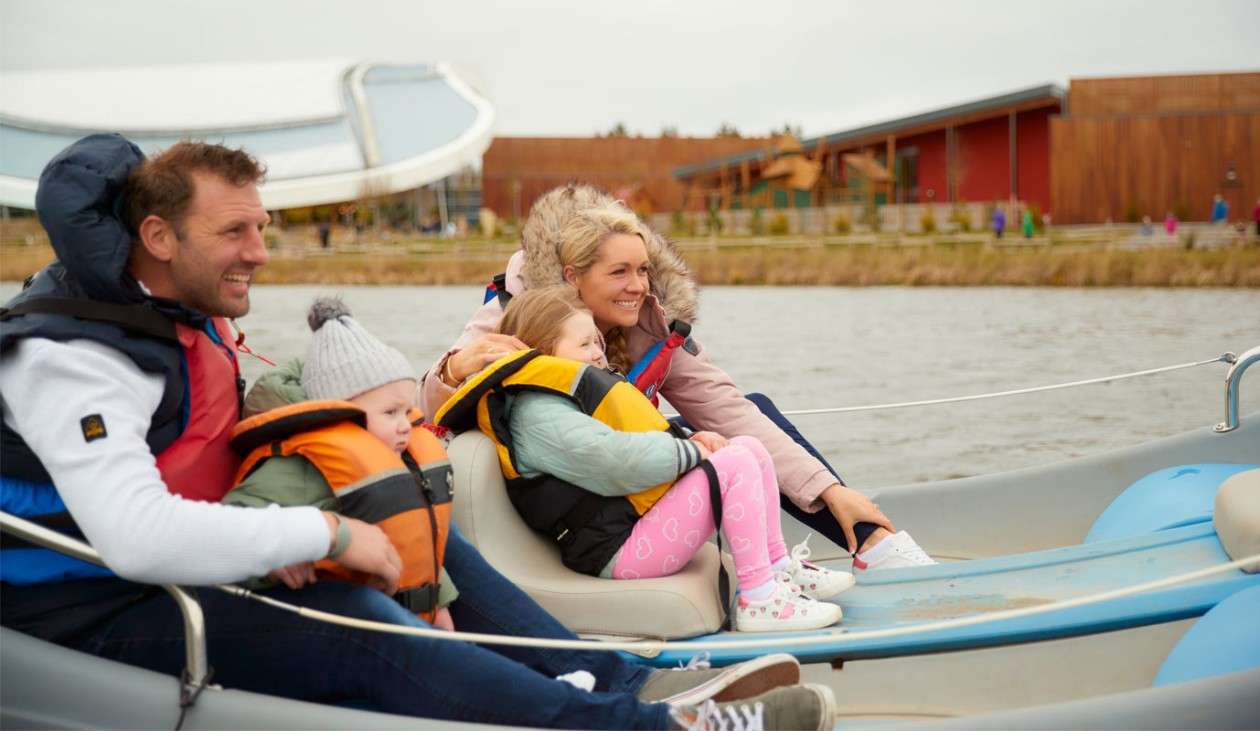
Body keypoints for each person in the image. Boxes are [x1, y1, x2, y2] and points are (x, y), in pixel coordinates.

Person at [0, 135, 832, 730]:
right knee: (355, 614)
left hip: (194, 552)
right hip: (89, 599)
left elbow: (223, 432)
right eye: (235, 233)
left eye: (261, 226)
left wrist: (356, 457)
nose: (260, 251)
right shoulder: (74, 360)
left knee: (417, 513)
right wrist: (322, 531)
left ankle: (630, 680)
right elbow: (136, 536)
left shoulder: (169, 307)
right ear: (156, 237)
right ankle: (642, 728)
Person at [421, 184, 934, 572]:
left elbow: (725, 406)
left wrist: (828, 489)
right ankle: (774, 575)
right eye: (619, 272)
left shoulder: (649, 323)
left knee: (748, 412)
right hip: (570, 491)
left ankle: (862, 539)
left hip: (623, 473)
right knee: (720, 446)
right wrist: (454, 368)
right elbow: (432, 398)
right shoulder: (518, 309)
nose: (637, 286)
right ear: (574, 276)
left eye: (642, 270)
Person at [439, 283, 851, 632]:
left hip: (630, 527)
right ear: (541, 351)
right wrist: (691, 451)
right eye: (584, 344)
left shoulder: (564, 395)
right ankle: (758, 600)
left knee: (748, 448)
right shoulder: (536, 413)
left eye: (597, 343)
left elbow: (639, 437)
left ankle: (778, 571)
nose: (597, 355)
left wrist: (694, 437)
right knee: (733, 464)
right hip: (615, 553)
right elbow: (614, 463)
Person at [222, 297, 460, 631]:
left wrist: (439, 602)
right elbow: (232, 526)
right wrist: (280, 553)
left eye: (407, 411)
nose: (406, 424)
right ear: (341, 415)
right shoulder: (299, 468)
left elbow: (420, 538)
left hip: (404, 615)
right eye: (390, 413)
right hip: (335, 622)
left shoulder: (393, 460)